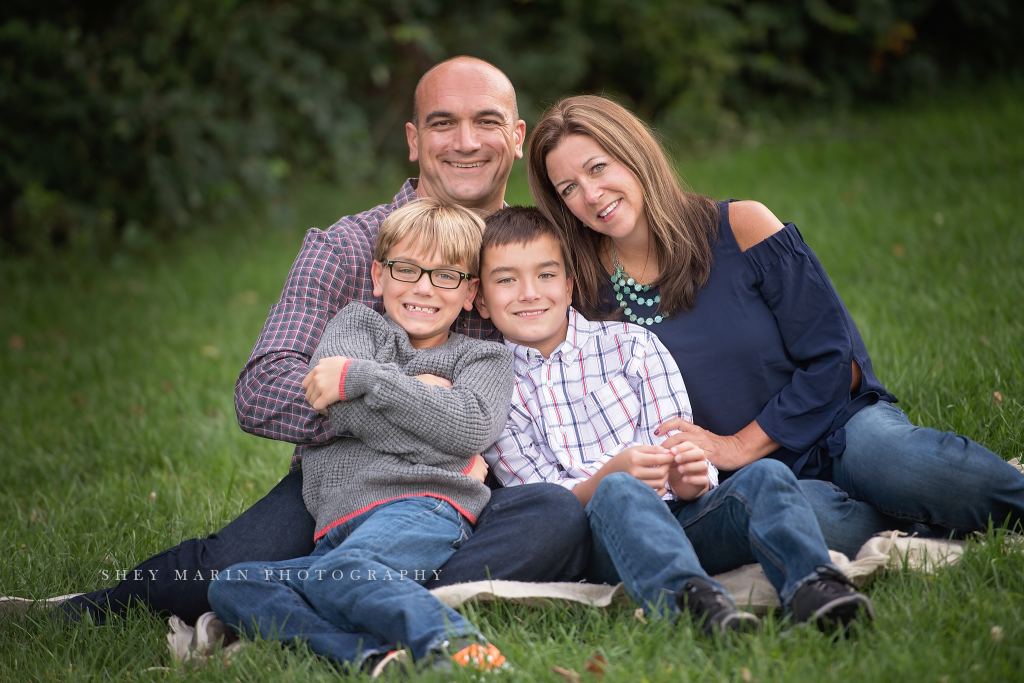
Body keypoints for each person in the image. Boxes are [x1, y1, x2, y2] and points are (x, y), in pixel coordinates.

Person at [55, 57, 589, 626]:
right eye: (441, 123)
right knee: (217, 572)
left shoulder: (545, 255)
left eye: (486, 121)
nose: (464, 141)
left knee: (554, 516)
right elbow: (262, 389)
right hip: (346, 479)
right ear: (413, 139)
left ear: (515, 138)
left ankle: (337, 598)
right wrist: (414, 403)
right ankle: (81, 615)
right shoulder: (347, 247)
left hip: (490, 483)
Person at [525, 94, 1024, 560]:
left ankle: (923, 496)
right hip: (739, 482)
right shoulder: (581, 293)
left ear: (634, 155)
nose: (591, 195)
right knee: (820, 523)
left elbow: (839, 360)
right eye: (569, 188)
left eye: (598, 167)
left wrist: (738, 443)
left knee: (909, 466)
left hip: (836, 428)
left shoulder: (739, 227)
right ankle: (908, 520)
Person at [474, 205, 873, 633]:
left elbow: (679, 437)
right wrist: (609, 477)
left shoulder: (631, 345)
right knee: (620, 492)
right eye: (506, 280)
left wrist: (691, 476)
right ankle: (696, 605)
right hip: (603, 537)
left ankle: (816, 586)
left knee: (767, 477)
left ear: (570, 286)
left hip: (684, 514)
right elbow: (540, 504)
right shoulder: (493, 386)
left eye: (546, 275)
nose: (530, 292)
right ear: (480, 299)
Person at [208, 199, 513, 674]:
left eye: (445, 276)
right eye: (406, 269)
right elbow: (340, 408)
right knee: (234, 584)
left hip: (424, 507)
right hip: (337, 526)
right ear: (378, 275)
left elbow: (469, 426)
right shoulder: (354, 324)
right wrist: (430, 415)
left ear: (471, 292)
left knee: (340, 573)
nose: (424, 288)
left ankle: (462, 650)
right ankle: (369, 657)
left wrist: (368, 381)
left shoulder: (482, 359)